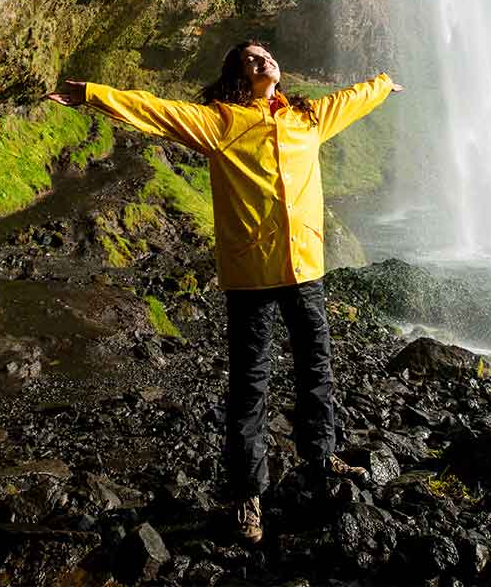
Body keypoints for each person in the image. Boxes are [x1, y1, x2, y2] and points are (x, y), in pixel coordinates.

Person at [43, 41, 402, 545]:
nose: (263, 61)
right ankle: (246, 497)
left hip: (305, 270)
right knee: (249, 386)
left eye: (266, 55)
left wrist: (384, 85)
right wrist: (93, 95)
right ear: (238, 75)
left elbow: (352, 98)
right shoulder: (223, 123)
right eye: (250, 60)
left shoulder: (307, 117)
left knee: (316, 368)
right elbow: (158, 111)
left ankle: (322, 458)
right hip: (252, 275)